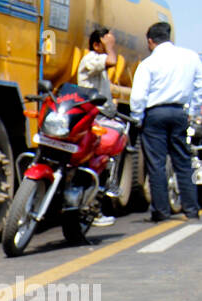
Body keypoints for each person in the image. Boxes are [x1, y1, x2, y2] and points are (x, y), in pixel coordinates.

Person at [129, 21, 202, 220]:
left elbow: (138, 96)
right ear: (169, 37)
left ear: (150, 41)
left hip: (155, 115)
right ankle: (191, 209)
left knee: (156, 164)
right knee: (183, 161)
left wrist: (137, 118)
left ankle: (161, 211)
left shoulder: (148, 63)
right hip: (179, 113)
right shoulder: (189, 57)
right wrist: (193, 108)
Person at [78, 29, 121, 226]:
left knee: (104, 160)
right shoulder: (91, 58)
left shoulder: (97, 63)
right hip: (91, 117)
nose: (108, 47)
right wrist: (110, 46)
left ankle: (97, 201)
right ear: (96, 45)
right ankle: (91, 206)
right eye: (105, 42)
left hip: (100, 116)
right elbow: (112, 61)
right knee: (94, 162)